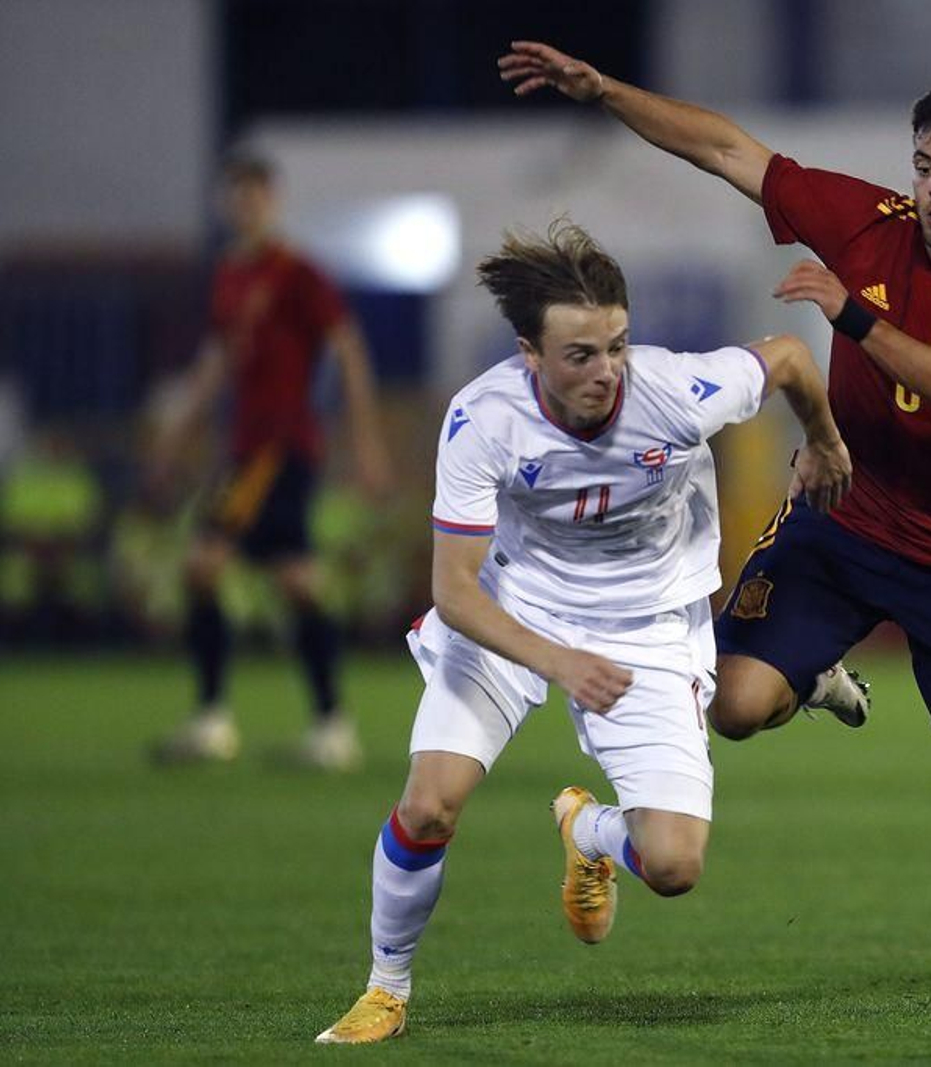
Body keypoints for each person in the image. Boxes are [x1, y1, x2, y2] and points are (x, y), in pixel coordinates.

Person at [499, 43, 931, 1014]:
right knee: (730, 706)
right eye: (925, 164)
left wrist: (850, 317)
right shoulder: (868, 221)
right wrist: (603, 93)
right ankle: (811, 675)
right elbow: (726, 149)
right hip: (842, 515)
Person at [315, 221, 849, 1044]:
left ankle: (587, 829)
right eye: (580, 356)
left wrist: (822, 438)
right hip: (514, 613)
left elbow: (787, 358)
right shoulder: (483, 420)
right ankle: (386, 988)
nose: (607, 373)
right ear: (530, 354)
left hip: (648, 630)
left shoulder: (675, 388)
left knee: (673, 865)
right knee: (428, 804)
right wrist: (559, 660)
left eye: (617, 346)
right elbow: (454, 591)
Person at [148, 152, 391, 771]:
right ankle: (331, 728)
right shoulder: (231, 276)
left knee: (204, 563)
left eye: (255, 195)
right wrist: (178, 430)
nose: (245, 206)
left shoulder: (296, 272)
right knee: (295, 580)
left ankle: (215, 720)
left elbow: (348, 350)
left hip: (278, 447)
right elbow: (219, 364)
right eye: (236, 196)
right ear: (225, 204)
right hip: (248, 448)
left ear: (272, 200)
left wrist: (366, 443)